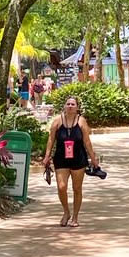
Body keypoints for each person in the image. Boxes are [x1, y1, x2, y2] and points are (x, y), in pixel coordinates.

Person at [40, 96, 101, 228]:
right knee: (62, 187)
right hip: (61, 158)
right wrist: (47, 156)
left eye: (73, 104)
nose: (70, 106)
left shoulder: (81, 121)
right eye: (68, 104)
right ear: (64, 106)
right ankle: (66, 212)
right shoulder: (57, 121)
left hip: (78, 158)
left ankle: (75, 216)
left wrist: (93, 159)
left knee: (77, 188)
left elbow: (87, 141)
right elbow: (51, 139)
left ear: (77, 107)